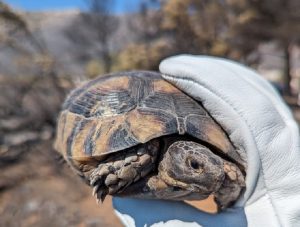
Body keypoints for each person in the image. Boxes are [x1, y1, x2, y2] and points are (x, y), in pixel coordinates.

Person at [112, 55, 300, 227]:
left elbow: (225, 171)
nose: (216, 175)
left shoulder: (218, 168)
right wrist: (116, 170)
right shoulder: (149, 149)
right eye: (193, 164)